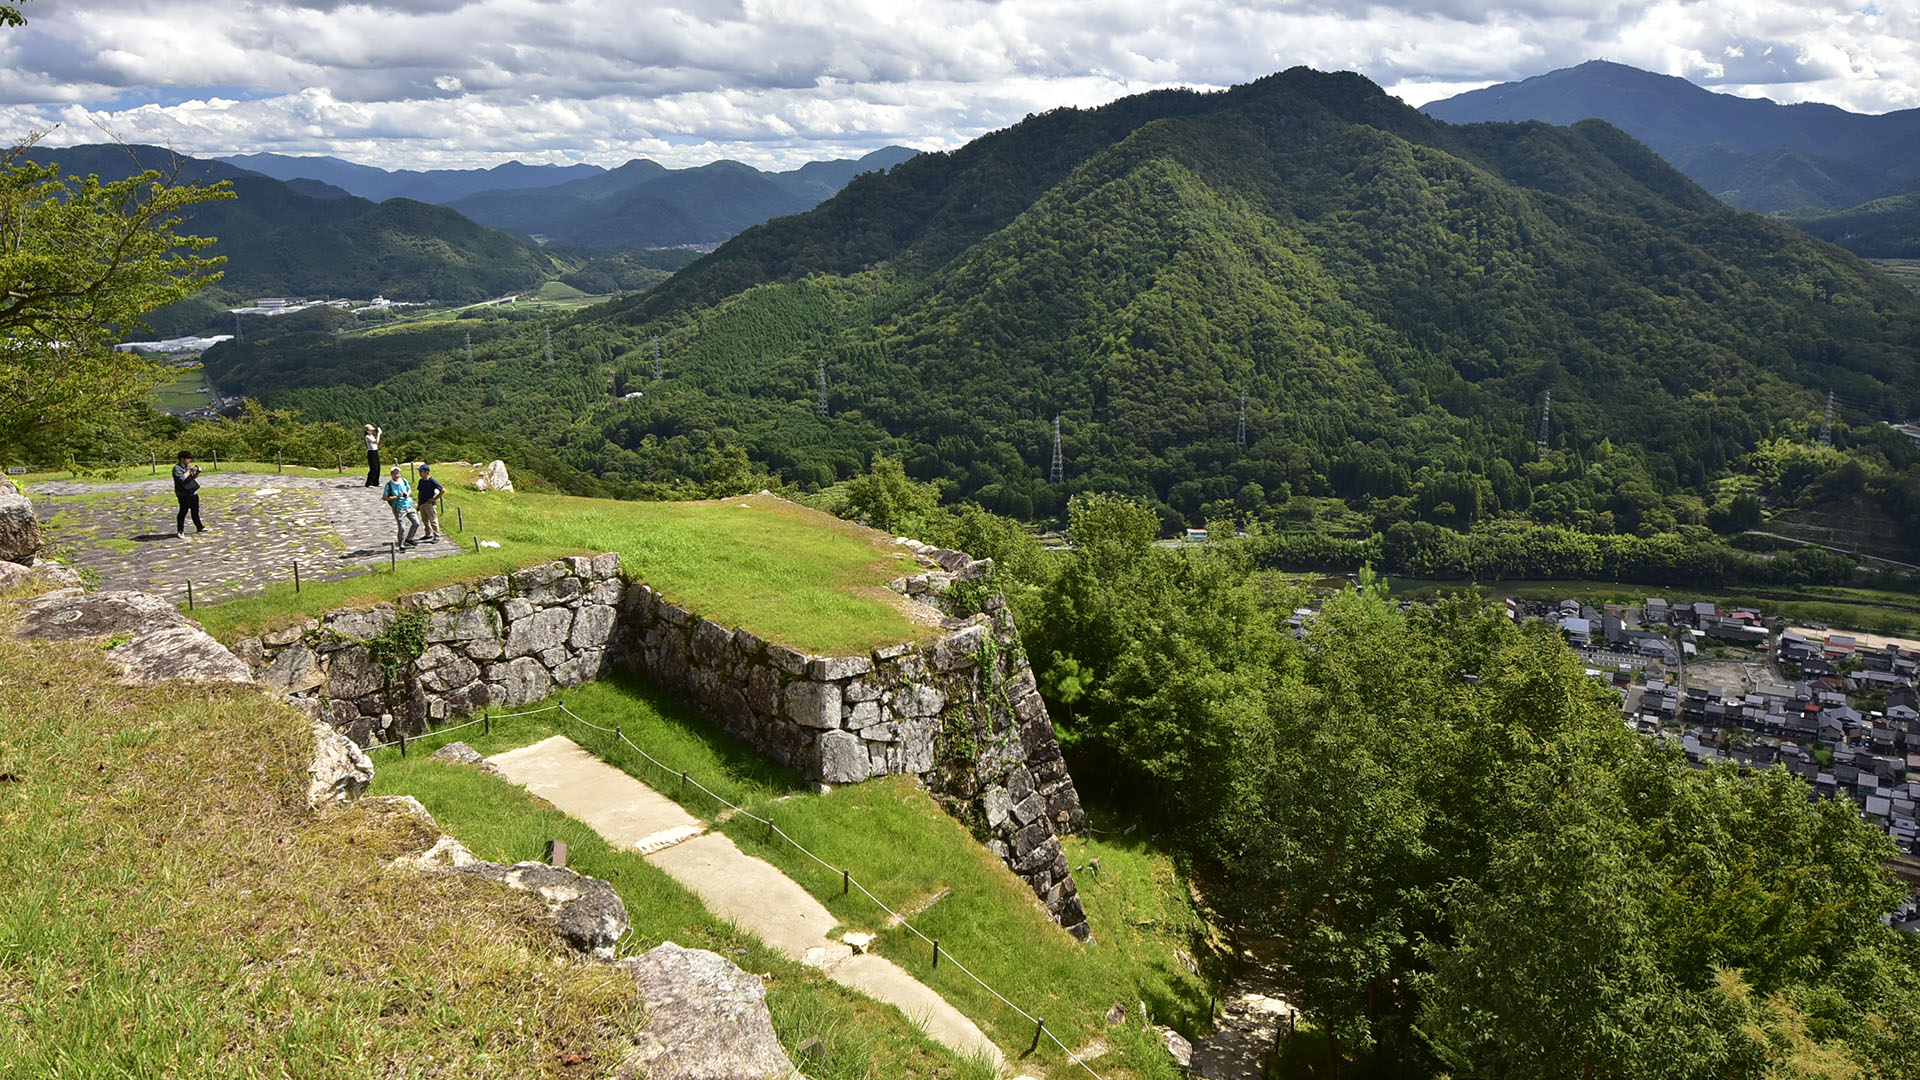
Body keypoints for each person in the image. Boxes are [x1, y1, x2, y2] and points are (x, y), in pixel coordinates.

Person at [382, 466, 421, 547]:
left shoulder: (404, 481)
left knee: (416, 523)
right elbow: (385, 497)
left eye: (398, 473)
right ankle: (401, 544)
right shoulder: (389, 485)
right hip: (398, 508)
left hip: (409, 506)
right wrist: (396, 497)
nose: (396, 475)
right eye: (394, 473)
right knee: (402, 528)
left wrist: (407, 494)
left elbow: (409, 490)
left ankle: (409, 539)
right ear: (391, 474)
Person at [172, 450, 203, 538]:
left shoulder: (187, 467)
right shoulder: (176, 468)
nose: (189, 460)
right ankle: (180, 530)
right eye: (188, 459)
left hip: (192, 492)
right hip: (183, 494)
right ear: (182, 459)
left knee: (195, 511)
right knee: (183, 512)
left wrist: (197, 472)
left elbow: (192, 477)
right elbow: (181, 479)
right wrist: (189, 471)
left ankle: (199, 527)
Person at [416, 464, 445, 541]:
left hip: (429, 504)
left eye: (421, 472)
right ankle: (428, 534)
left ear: (427, 472)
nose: (420, 473)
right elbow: (419, 492)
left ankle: (437, 535)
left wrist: (434, 499)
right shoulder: (421, 481)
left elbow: (442, 490)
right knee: (425, 520)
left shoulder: (432, 481)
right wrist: (418, 504)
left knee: (433, 520)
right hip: (422, 503)